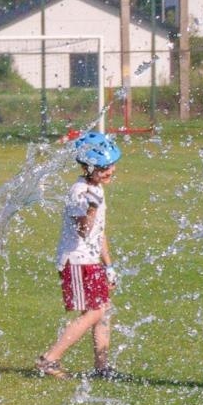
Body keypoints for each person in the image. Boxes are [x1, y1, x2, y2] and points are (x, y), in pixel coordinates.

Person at [37, 130, 122, 380]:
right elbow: (85, 230)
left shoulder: (96, 188)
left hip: (91, 260)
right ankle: (49, 359)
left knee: (103, 309)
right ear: (88, 167)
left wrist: (109, 265)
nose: (110, 171)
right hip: (76, 260)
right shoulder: (79, 192)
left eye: (112, 165)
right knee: (95, 311)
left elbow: (99, 232)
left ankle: (102, 368)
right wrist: (91, 210)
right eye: (104, 167)